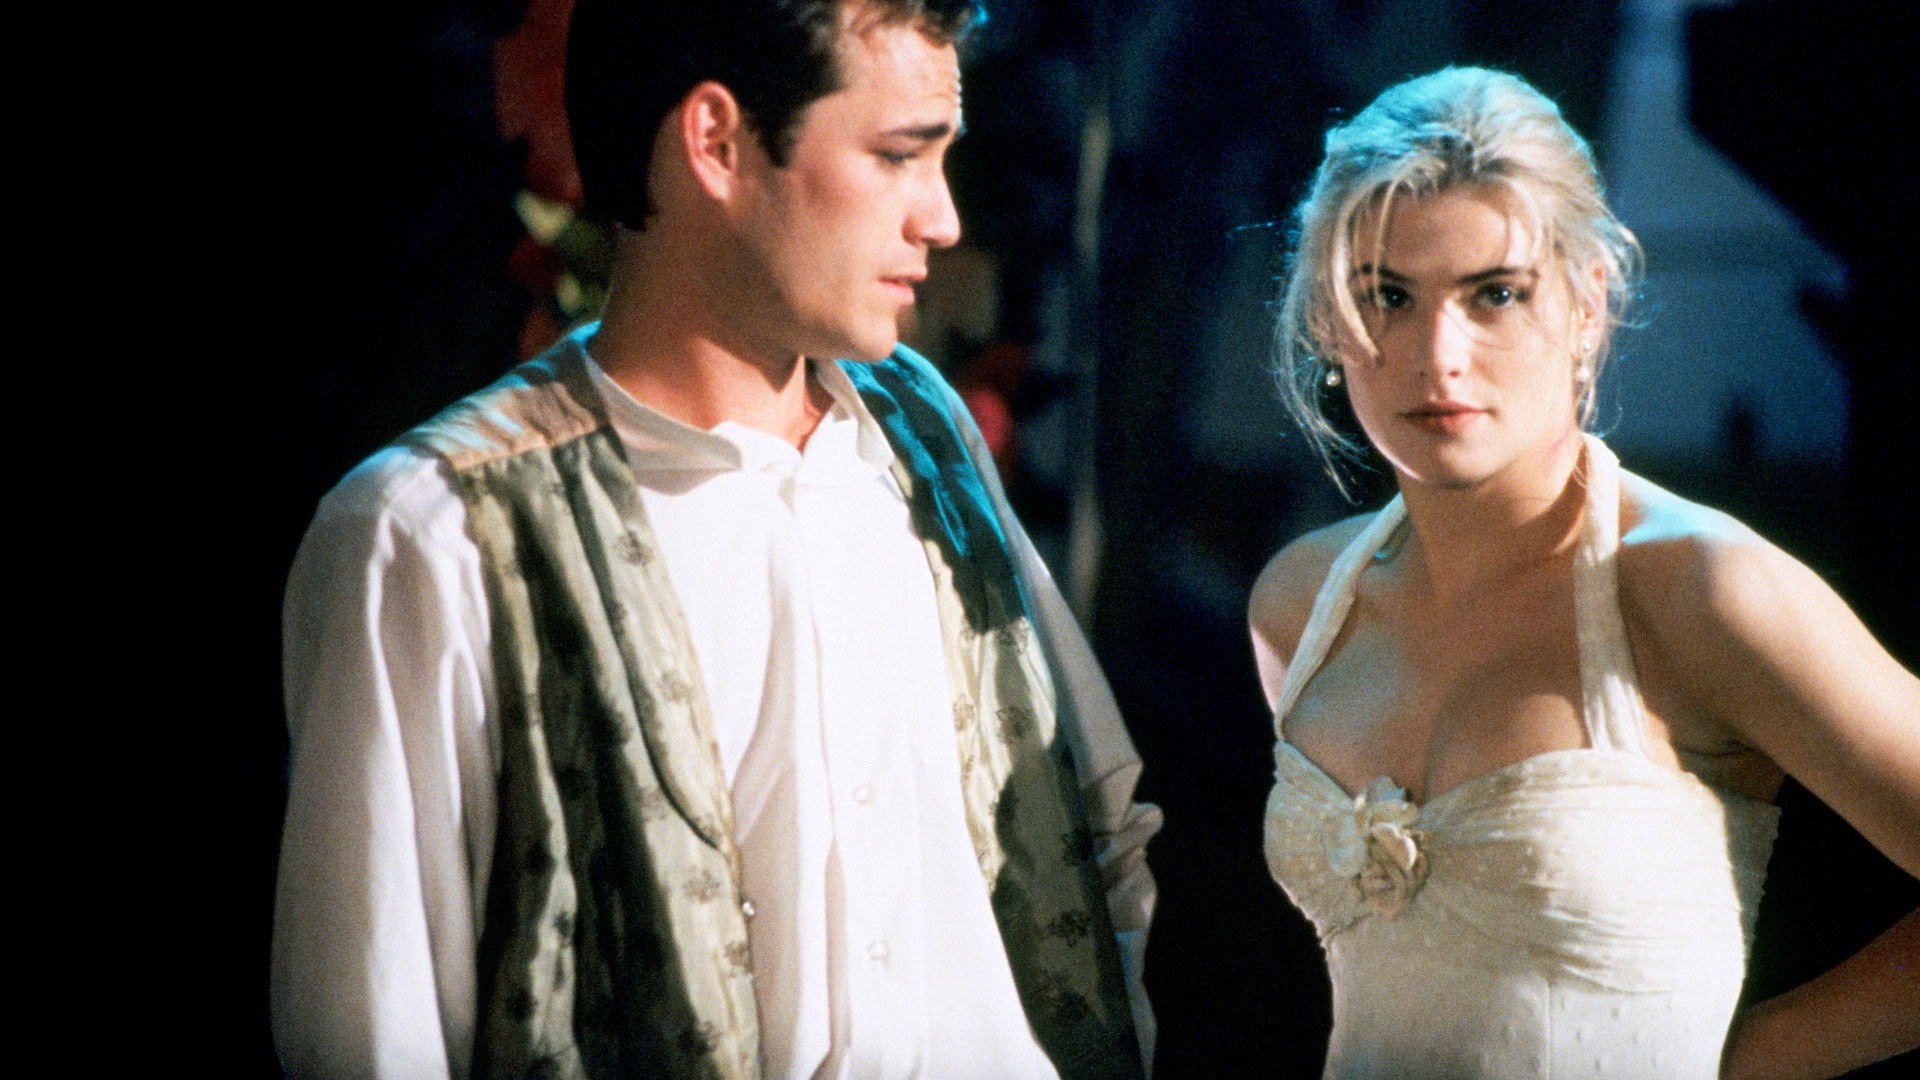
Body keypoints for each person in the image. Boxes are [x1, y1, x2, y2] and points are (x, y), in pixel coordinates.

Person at [272, 2, 1161, 1078]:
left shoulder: (922, 431)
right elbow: (374, 1033)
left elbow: (1096, 830)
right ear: (717, 142)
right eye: (897, 157)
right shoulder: (435, 536)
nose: (942, 219)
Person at [1249, 67, 1918, 1080]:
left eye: (1496, 294)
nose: (1439, 355)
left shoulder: (1696, 587)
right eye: (1388, 296)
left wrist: (1762, 1057)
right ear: (1328, 322)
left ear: (1587, 303)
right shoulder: (1302, 604)